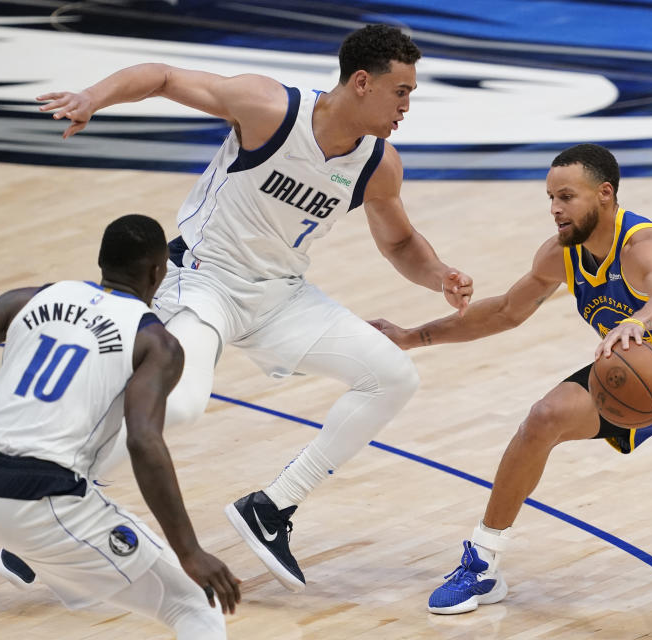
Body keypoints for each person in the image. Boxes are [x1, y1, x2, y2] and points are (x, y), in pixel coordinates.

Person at [29, 24, 473, 593]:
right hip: (202, 281)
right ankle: (59, 502)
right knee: (183, 405)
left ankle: (271, 508)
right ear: (362, 83)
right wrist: (94, 97)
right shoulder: (269, 108)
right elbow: (163, 78)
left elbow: (399, 242)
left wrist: (439, 275)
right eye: (402, 91)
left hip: (279, 295)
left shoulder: (378, 163)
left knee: (392, 376)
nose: (408, 106)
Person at [370, 143, 652, 615]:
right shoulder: (561, 253)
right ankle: (483, 562)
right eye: (550, 197)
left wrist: (640, 322)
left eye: (567, 197)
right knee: (544, 418)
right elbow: (505, 311)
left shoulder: (645, 244)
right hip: (640, 366)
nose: (555, 209)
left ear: (604, 194)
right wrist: (411, 336)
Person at [0, 214, 241, 638]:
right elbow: (144, 442)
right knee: (193, 605)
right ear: (157, 272)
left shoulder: (26, 299)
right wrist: (189, 551)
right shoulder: (156, 342)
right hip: (42, 499)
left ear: (101, 260)